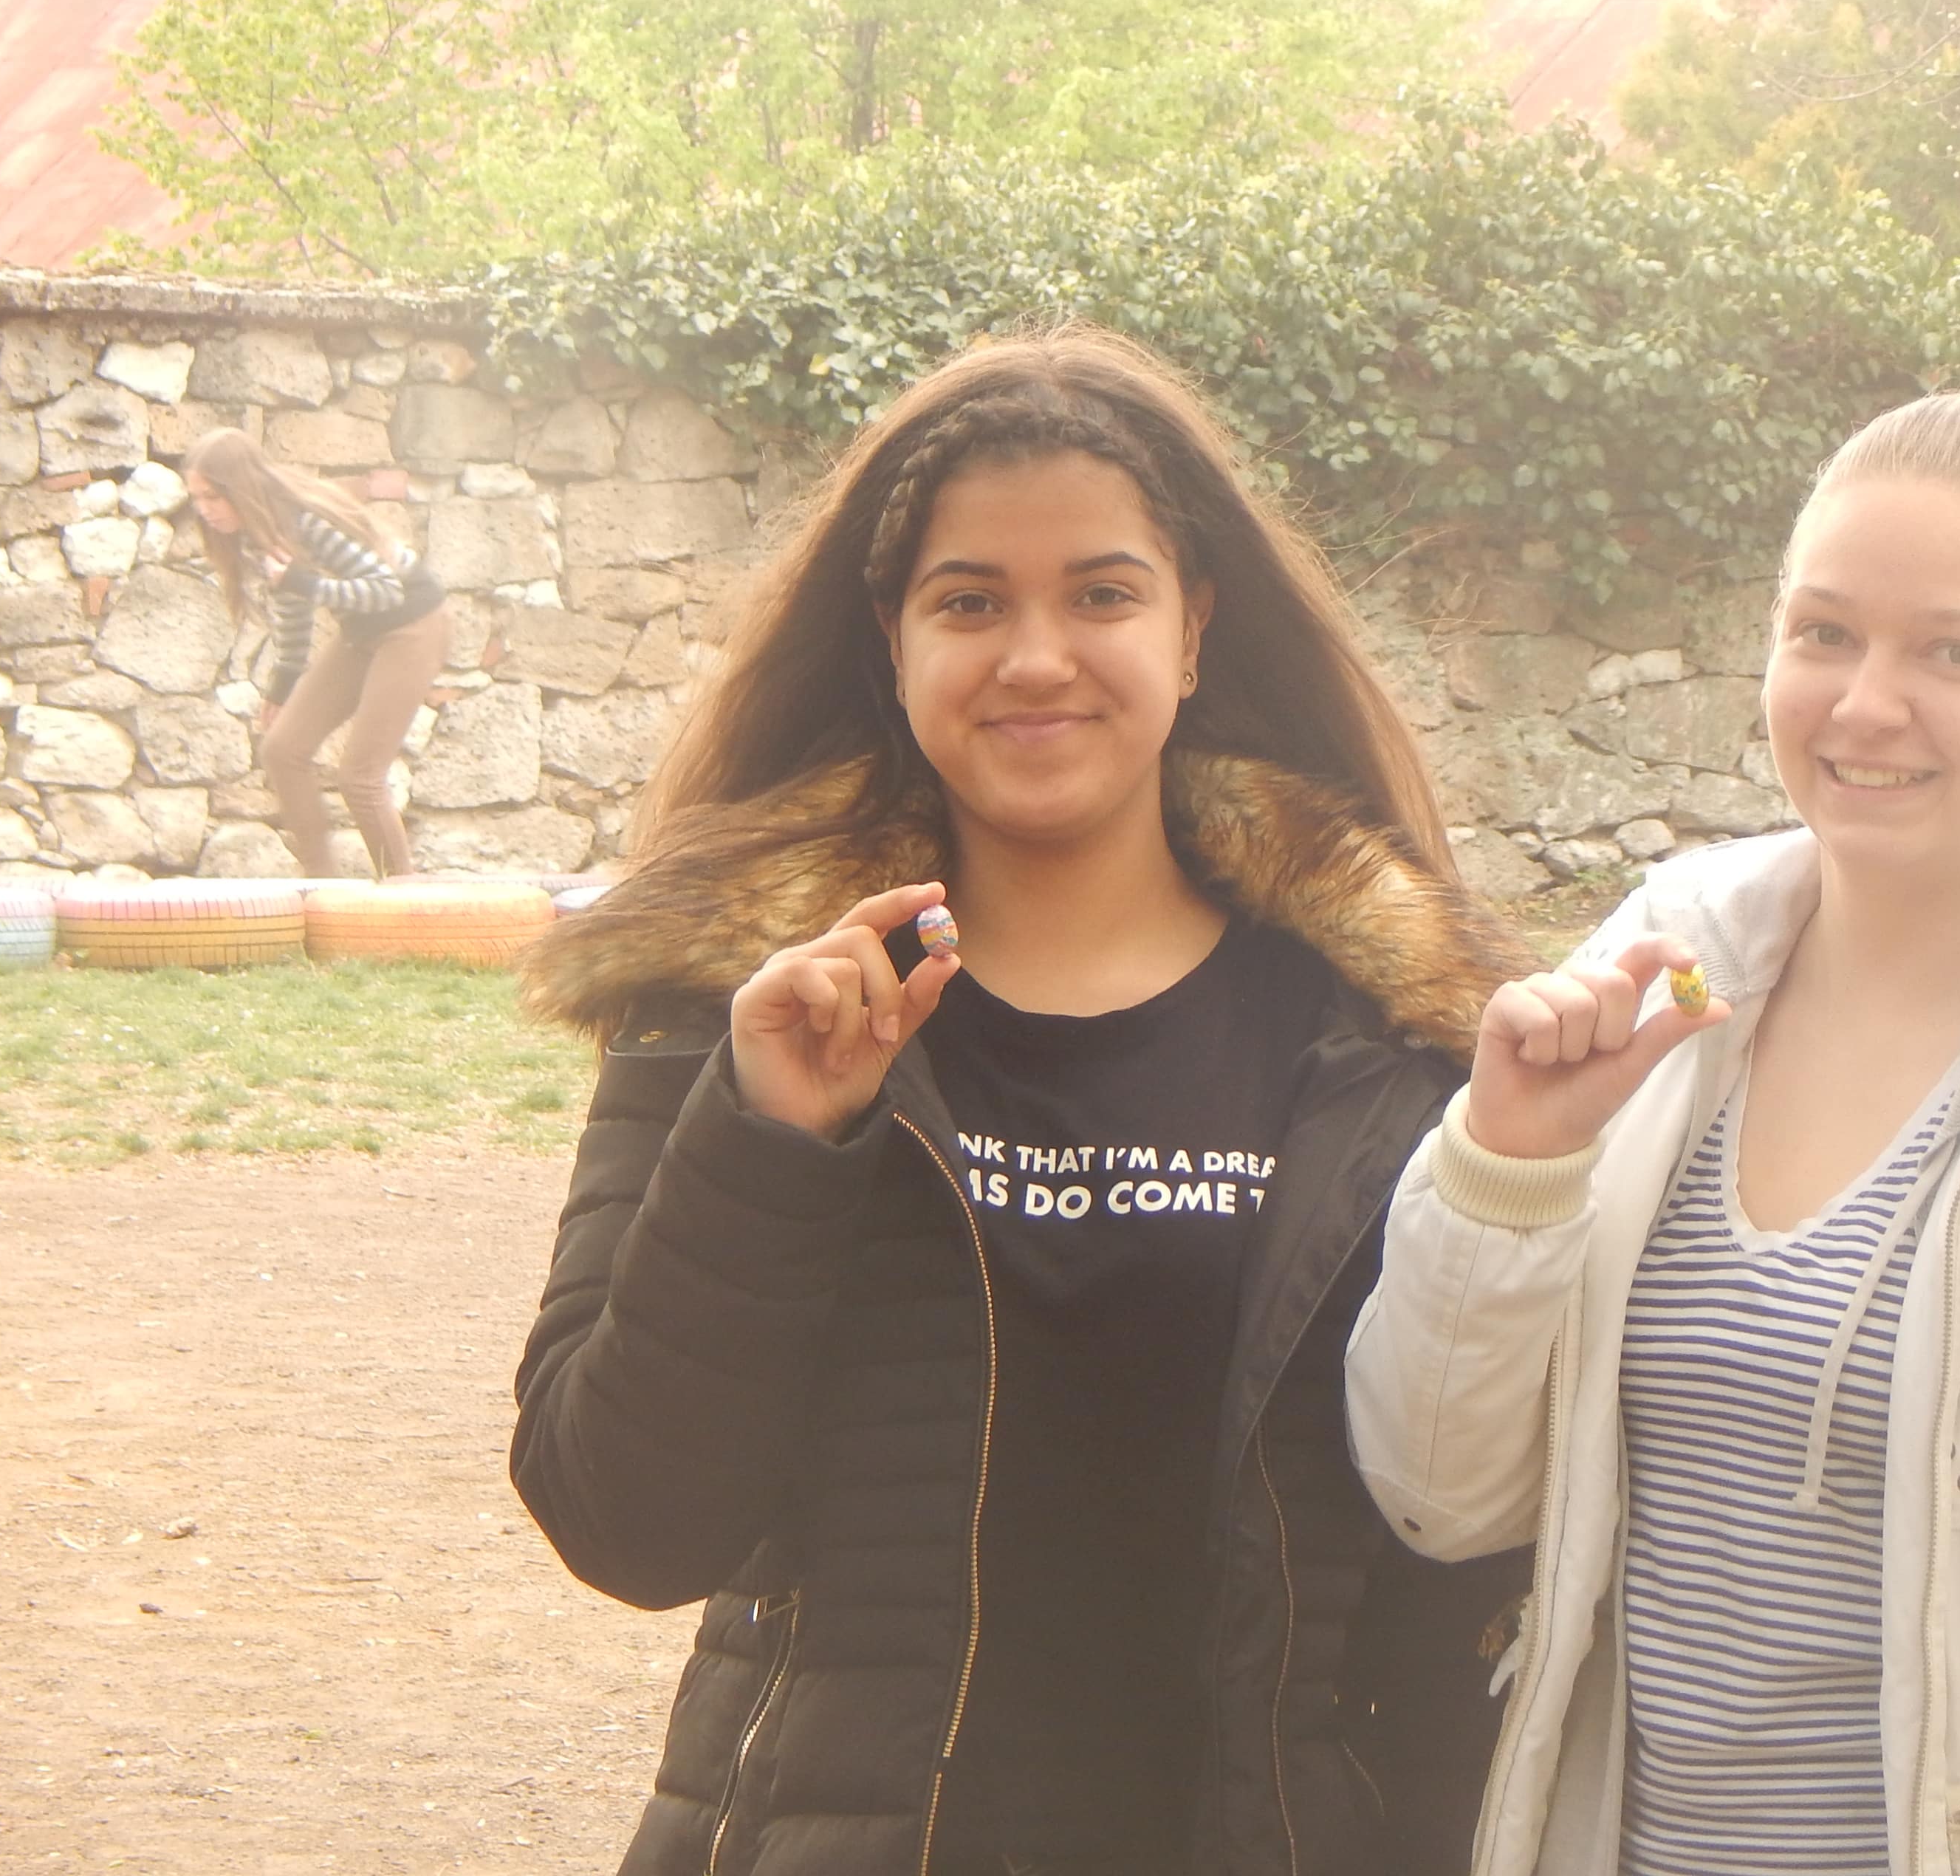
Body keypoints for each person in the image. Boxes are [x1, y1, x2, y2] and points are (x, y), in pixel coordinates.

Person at [512, 329, 1531, 1876]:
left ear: (1192, 629)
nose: (1036, 657)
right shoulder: (746, 1010)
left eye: (1103, 594)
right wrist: (771, 1139)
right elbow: (625, 1524)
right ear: (893, 640)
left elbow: (1460, 1567)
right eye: (971, 601)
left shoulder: (1389, 1046)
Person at [1346, 387, 1960, 1876]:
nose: (1865, 703)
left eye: (1953, 651)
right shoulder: (1657, 996)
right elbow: (1436, 1496)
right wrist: (1509, 1166)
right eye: (1823, 633)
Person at [181, 425, 451, 880]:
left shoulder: (304, 519)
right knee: (282, 750)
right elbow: (293, 602)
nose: (204, 510)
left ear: (241, 488)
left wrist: (301, 582)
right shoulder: (259, 529)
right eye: (196, 498)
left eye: (213, 496)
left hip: (413, 625)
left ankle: (404, 890)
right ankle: (321, 885)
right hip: (362, 630)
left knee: (359, 776)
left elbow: (385, 591)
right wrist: (284, 681)